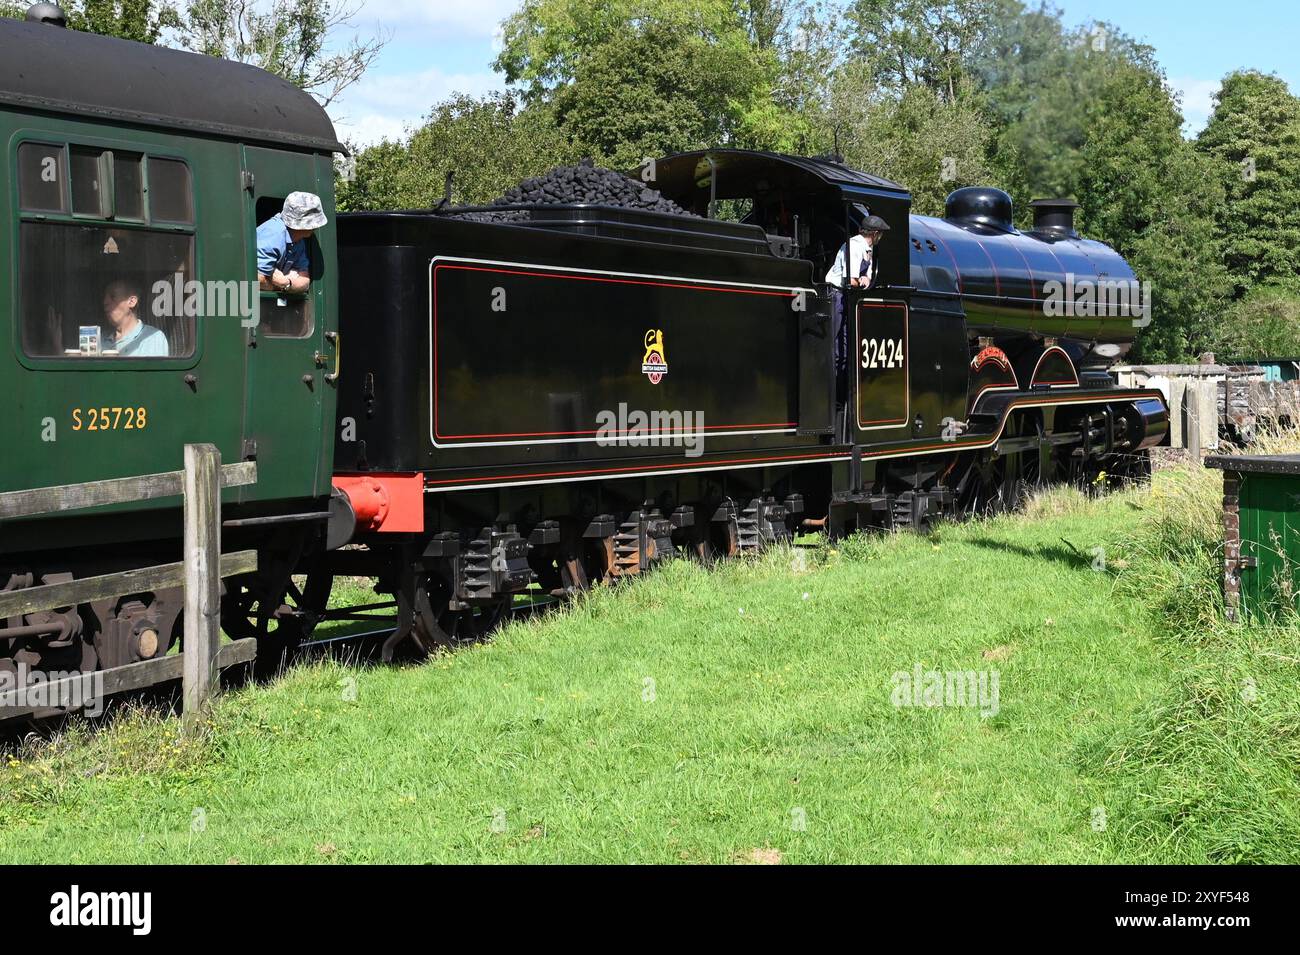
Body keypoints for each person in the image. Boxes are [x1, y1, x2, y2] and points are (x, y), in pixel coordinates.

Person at [824, 215, 891, 435]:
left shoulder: (867, 250)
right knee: (836, 348)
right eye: (880, 234)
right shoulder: (853, 246)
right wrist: (861, 281)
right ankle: (831, 396)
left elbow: (867, 278)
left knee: (845, 349)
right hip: (837, 295)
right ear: (875, 234)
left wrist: (864, 280)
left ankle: (842, 395)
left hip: (848, 297)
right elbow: (852, 280)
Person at [257, 192, 328, 293]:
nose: (317, 226)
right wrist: (285, 285)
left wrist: (286, 283)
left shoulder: (299, 240)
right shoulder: (272, 234)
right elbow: (257, 279)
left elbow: (305, 282)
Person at [101, 280, 169, 357]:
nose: (105, 302)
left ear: (132, 302)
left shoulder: (152, 338)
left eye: (113, 296)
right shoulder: (99, 340)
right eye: (105, 297)